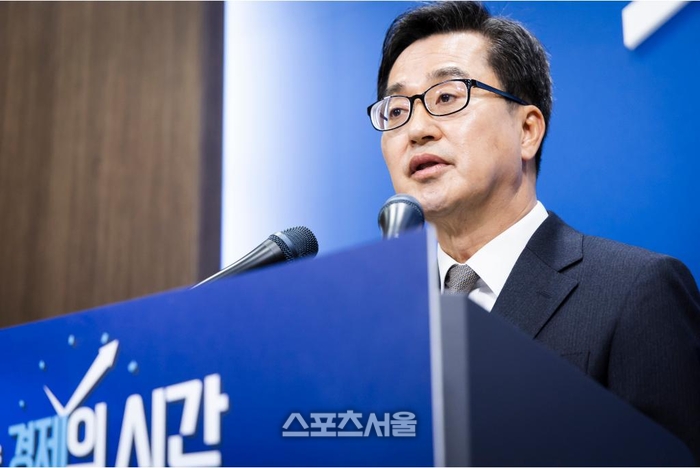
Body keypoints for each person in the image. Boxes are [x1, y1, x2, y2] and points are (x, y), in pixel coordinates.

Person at [366, 1, 700, 461]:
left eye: (446, 97)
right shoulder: (377, 321)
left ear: (527, 130)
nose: (417, 129)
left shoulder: (635, 292)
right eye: (397, 110)